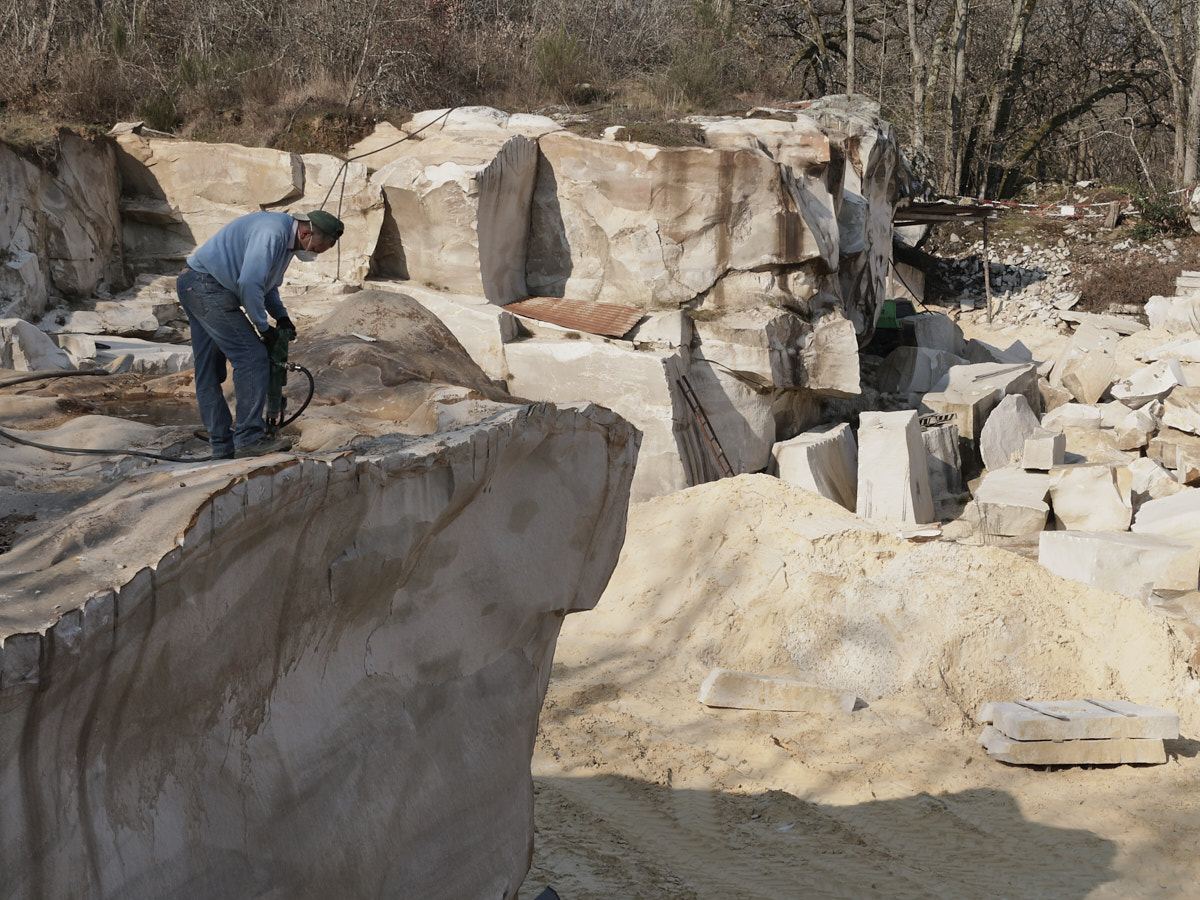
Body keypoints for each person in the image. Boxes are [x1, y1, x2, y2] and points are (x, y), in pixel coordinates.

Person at [176, 209, 344, 458]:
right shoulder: (271, 233)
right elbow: (249, 283)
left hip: (196, 283)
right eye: (317, 249)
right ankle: (249, 439)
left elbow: (268, 286)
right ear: (307, 233)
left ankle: (222, 446)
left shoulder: (287, 243)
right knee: (252, 357)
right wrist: (263, 329)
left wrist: (282, 317)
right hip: (207, 286)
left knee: (208, 370)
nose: (314, 254)